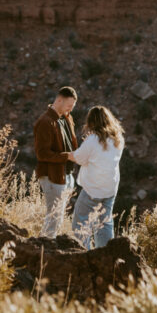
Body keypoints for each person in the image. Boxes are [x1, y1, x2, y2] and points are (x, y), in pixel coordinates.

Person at [69, 105, 124, 249]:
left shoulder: (92, 140)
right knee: (104, 224)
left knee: (80, 224)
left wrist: (65, 154)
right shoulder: (118, 138)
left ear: (92, 122)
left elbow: (79, 158)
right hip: (110, 189)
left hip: (92, 190)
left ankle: (82, 253)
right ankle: (105, 255)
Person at [33, 86, 78, 237]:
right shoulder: (45, 122)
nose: (70, 110)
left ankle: (46, 249)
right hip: (52, 177)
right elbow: (42, 154)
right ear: (59, 100)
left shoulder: (66, 119)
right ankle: (43, 250)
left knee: (57, 218)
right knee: (53, 218)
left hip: (67, 175)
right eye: (68, 106)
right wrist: (67, 156)